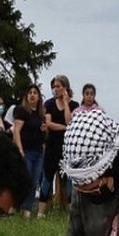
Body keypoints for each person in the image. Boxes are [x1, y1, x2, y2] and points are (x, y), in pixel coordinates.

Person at [39, 75, 78, 218]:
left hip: (67, 148)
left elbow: (70, 121)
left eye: (58, 86)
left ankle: (70, 213)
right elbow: (49, 124)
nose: (56, 89)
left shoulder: (74, 105)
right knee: (47, 179)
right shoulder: (49, 104)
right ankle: (41, 212)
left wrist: (66, 103)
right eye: (54, 87)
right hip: (52, 146)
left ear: (65, 87)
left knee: (68, 180)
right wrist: (64, 127)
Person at [13, 84, 47, 219]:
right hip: (26, 151)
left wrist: (44, 130)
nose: (32, 95)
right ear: (26, 96)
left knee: (34, 182)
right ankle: (15, 206)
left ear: (39, 97)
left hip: (38, 152)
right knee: (24, 180)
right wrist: (20, 150)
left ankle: (27, 210)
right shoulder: (22, 111)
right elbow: (16, 131)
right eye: (30, 92)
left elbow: (43, 137)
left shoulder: (40, 114)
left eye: (35, 93)